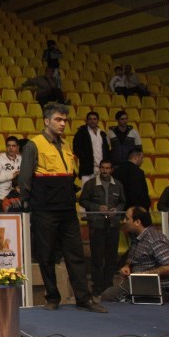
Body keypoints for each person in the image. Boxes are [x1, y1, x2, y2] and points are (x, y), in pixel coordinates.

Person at [19, 102, 107, 312]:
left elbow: (70, 175)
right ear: (46, 121)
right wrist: (28, 203)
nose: (62, 124)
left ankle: (83, 298)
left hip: (67, 208)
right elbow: (25, 178)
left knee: (75, 255)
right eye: (58, 120)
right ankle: (52, 298)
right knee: (46, 255)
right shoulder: (34, 145)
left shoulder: (66, 145)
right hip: (44, 209)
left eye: (65, 120)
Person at [101, 207, 169, 303]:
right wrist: (127, 266)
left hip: (158, 287)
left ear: (137, 222)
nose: (124, 221)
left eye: (127, 219)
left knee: (108, 296)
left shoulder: (155, 239)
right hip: (139, 283)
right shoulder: (137, 237)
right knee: (108, 295)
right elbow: (132, 258)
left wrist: (144, 274)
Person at [78, 159, 126, 297]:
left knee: (111, 257)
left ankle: (108, 285)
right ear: (99, 168)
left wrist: (117, 210)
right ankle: (97, 286)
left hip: (113, 224)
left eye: (107, 168)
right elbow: (83, 201)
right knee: (97, 257)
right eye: (103, 168)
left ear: (111, 169)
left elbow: (122, 202)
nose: (105, 170)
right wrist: (97, 207)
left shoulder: (118, 184)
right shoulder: (91, 184)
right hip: (96, 224)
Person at [73, 111, 110, 186]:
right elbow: (76, 148)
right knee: (87, 190)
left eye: (94, 119)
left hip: (101, 168)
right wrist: (85, 158)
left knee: (100, 190)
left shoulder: (102, 134)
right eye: (90, 119)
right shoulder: (81, 133)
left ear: (98, 120)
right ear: (87, 120)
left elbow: (106, 149)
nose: (92, 121)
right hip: (87, 168)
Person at [0, 135, 22, 211]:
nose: (11, 148)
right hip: (3, 197)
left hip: (18, 197)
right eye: (8, 145)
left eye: (13, 146)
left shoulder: (21, 158)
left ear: (17, 147)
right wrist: (11, 176)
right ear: (6, 147)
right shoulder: (0, 159)